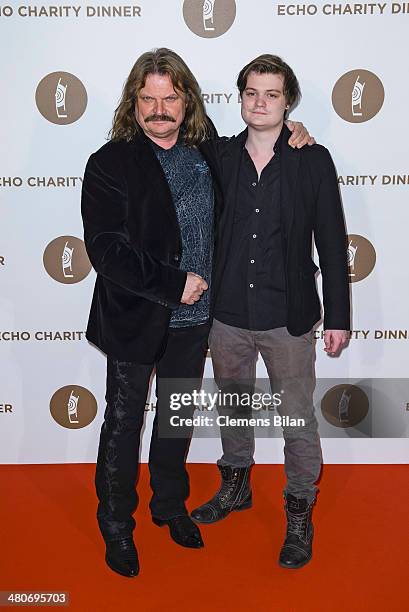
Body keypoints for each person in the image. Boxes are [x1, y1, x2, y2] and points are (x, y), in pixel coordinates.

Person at [81, 47, 311, 578]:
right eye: (148, 99)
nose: (159, 110)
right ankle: (117, 526)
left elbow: (261, 145)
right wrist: (173, 282)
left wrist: (295, 130)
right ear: (132, 104)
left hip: (196, 321)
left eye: (170, 98)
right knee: (122, 424)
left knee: (175, 419)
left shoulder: (209, 153)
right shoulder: (110, 162)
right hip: (135, 316)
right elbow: (106, 250)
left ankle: (168, 506)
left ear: (187, 101)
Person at [191, 54, 350, 570]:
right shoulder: (215, 156)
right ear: (239, 99)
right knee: (234, 408)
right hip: (228, 314)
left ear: (288, 102)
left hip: (289, 317)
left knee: (298, 418)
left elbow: (330, 241)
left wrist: (341, 316)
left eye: (272, 94)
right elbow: (163, 138)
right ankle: (236, 485)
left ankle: (300, 507)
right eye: (251, 93)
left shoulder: (312, 159)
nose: (260, 103)